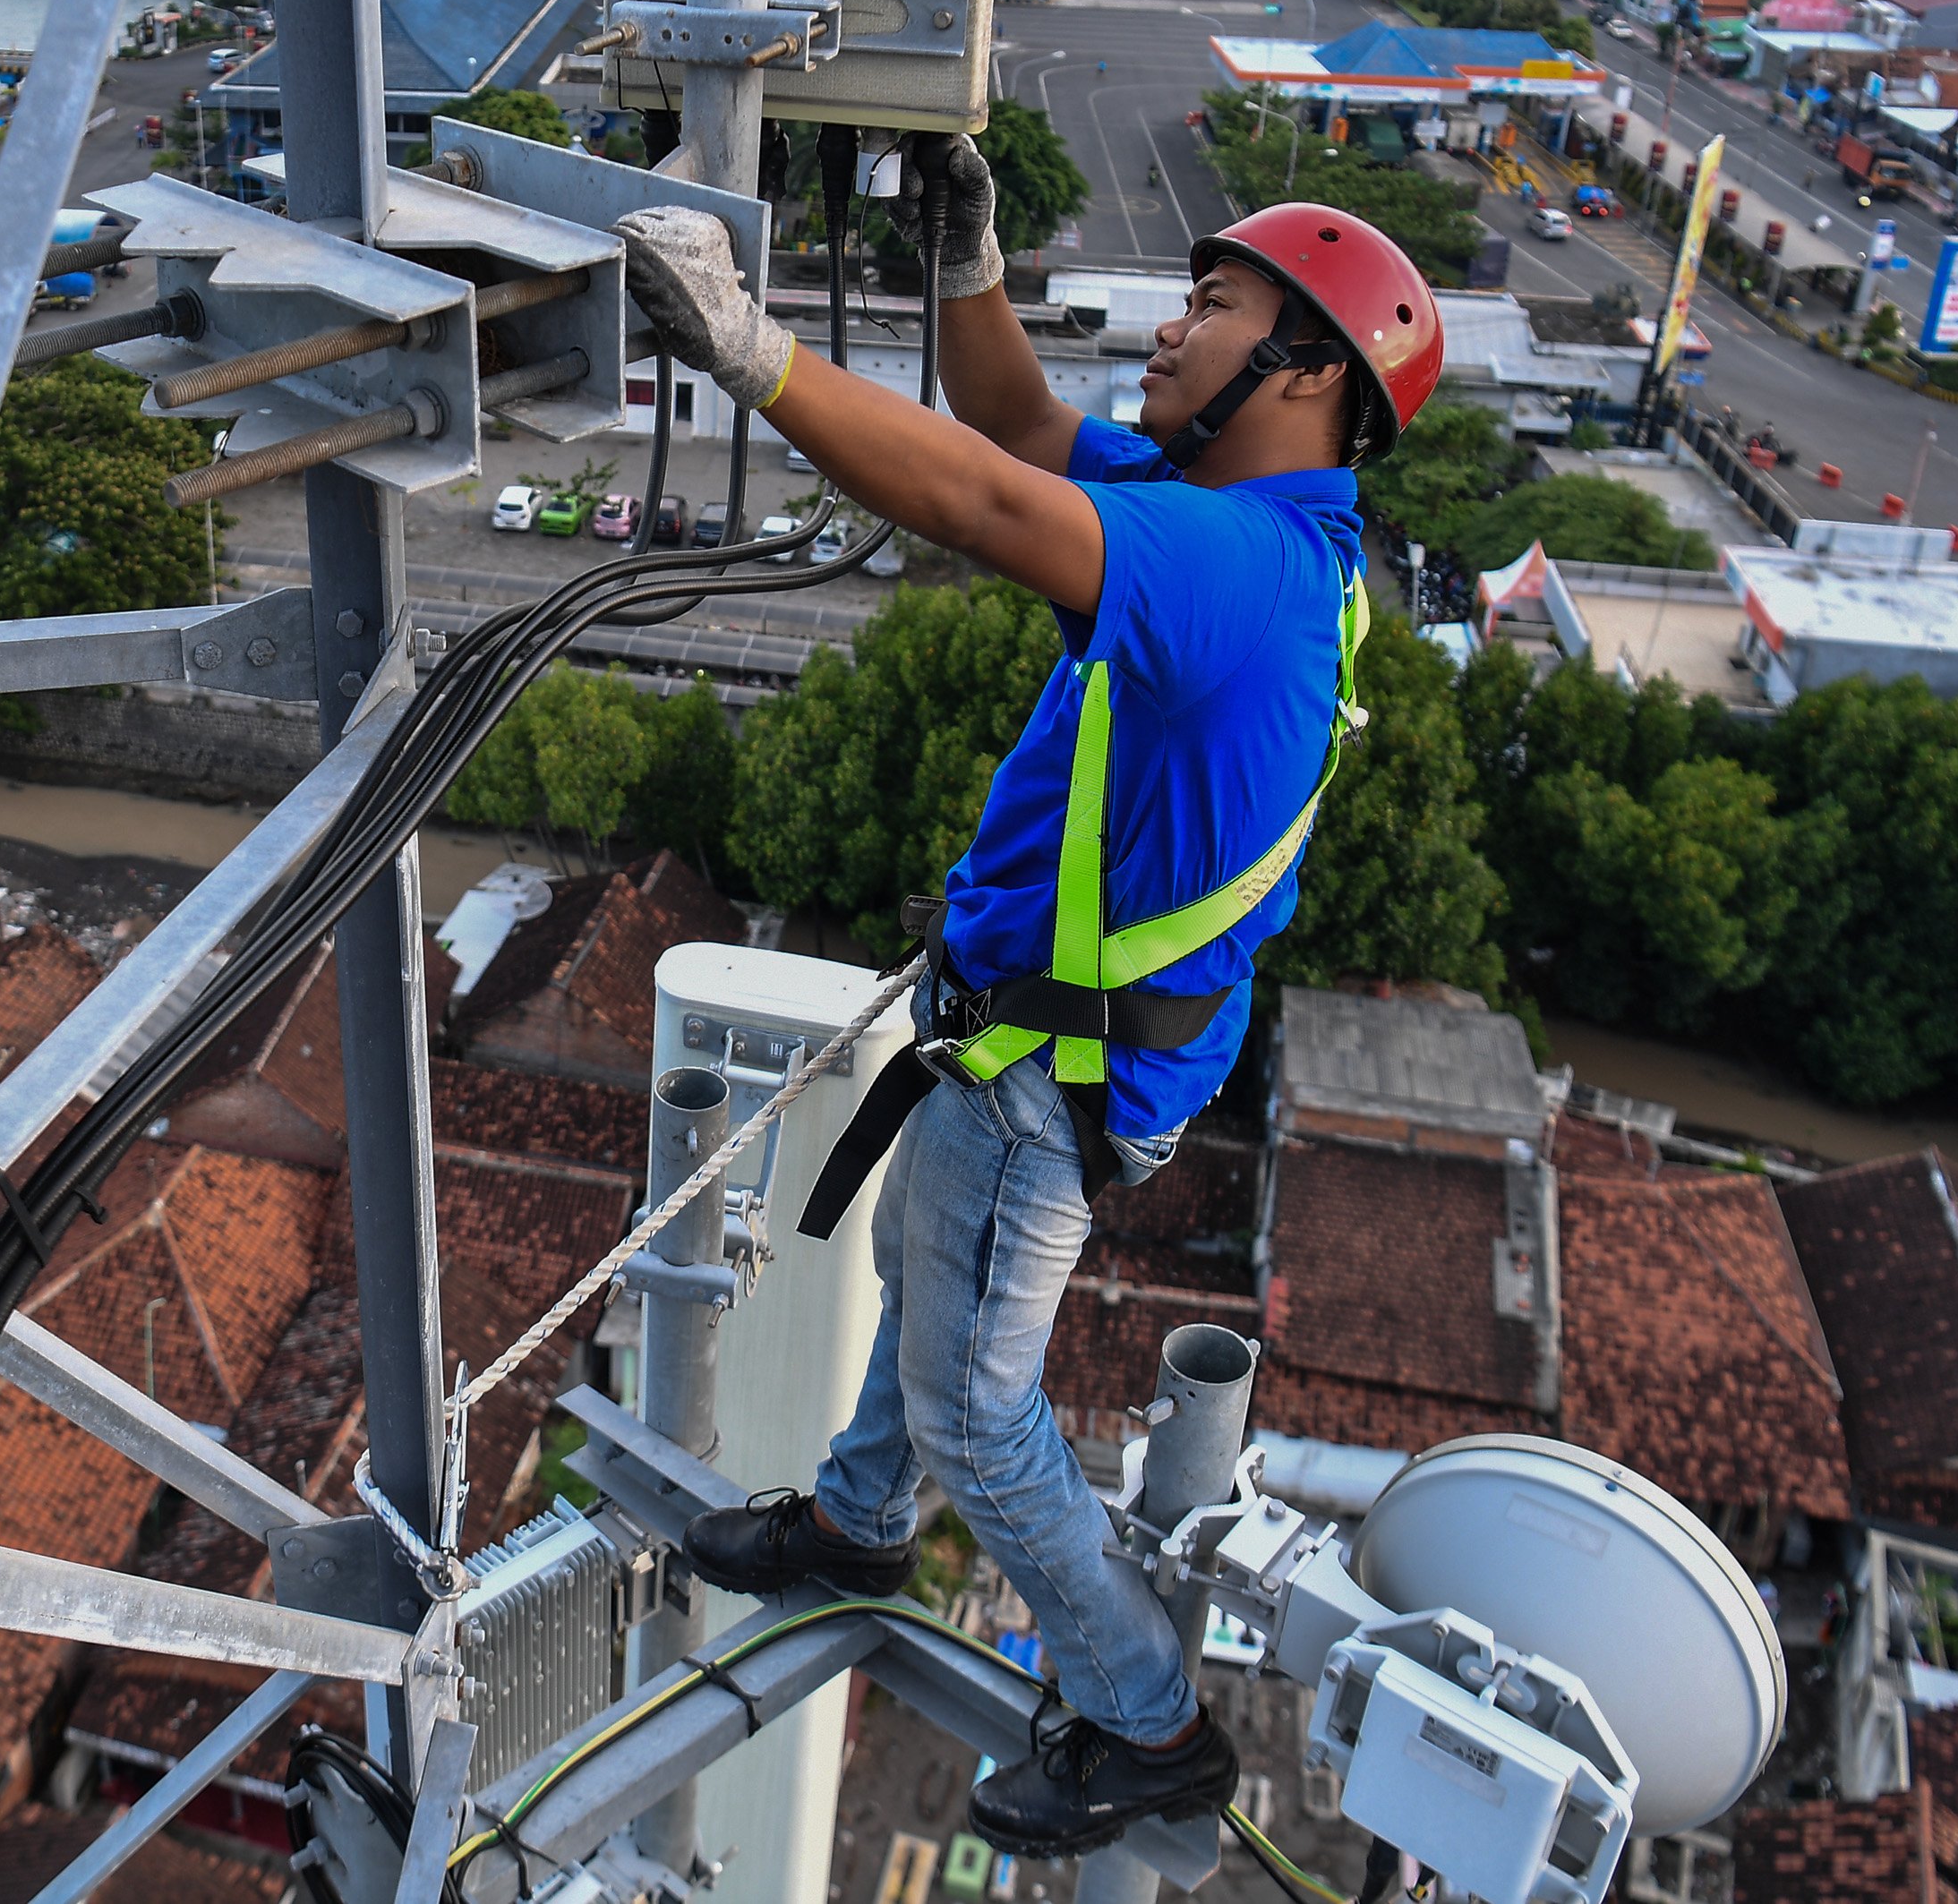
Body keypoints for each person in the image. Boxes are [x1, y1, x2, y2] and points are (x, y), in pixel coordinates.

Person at [609, 136, 1441, 1862]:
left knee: (981, 1413)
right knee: (928, 1269)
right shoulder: (1247, 523)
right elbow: (1019, 432)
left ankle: (1150, 1724)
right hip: (1032, 1032)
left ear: (1309, 371)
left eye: (1208, 310)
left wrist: (754, 353)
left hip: (1050, 1066)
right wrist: (968, 257)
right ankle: (854, 1520)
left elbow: (983, 506)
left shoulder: (1237, 573)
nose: (1165, 332)